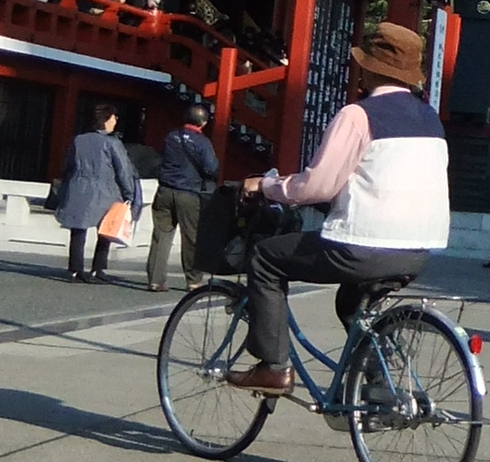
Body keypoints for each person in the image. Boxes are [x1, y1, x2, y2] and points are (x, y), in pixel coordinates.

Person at [226, 19, 449, 395]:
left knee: (265, 259)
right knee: (351, 304)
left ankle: (273, 367)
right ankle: (379, 386)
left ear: (368, 68)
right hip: (418, 250)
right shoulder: (430, 119)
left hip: (361, 247)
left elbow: (317, 185)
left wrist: (265, 185)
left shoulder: (359, 115)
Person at [57, 103, 140, 282]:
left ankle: (75, 269)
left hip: (79, 187)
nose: (115, 121)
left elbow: (68, 165)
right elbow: (123, 170)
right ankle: (98, 268)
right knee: (106, 229)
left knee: (78, 229)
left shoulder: (79, 140)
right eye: (114, 117)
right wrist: (129, 194)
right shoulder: (112, 143)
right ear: (107, 119)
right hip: (106, 190)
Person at [146, 99, 218, 290]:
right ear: (203, 122)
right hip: (189, 192)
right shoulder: (202, 142)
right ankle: (193, 280)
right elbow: (211, 167)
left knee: (161, 235)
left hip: (165, 190)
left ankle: (156, 279)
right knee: (191, 237)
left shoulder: (171, 136)